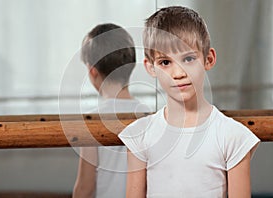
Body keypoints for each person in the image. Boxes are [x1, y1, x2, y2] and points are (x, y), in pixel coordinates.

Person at [118, 6, 260, 197]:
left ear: (208, 59)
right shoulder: (139, 135)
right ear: (150, 67)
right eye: (165, 62)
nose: (178, 74)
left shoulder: (233, 136)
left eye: (189, 58)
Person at [73, 23, 148, 198]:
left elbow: (85, 186)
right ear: (131, 66)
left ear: (92, 71)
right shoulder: (148, 114)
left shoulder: (92, 119)